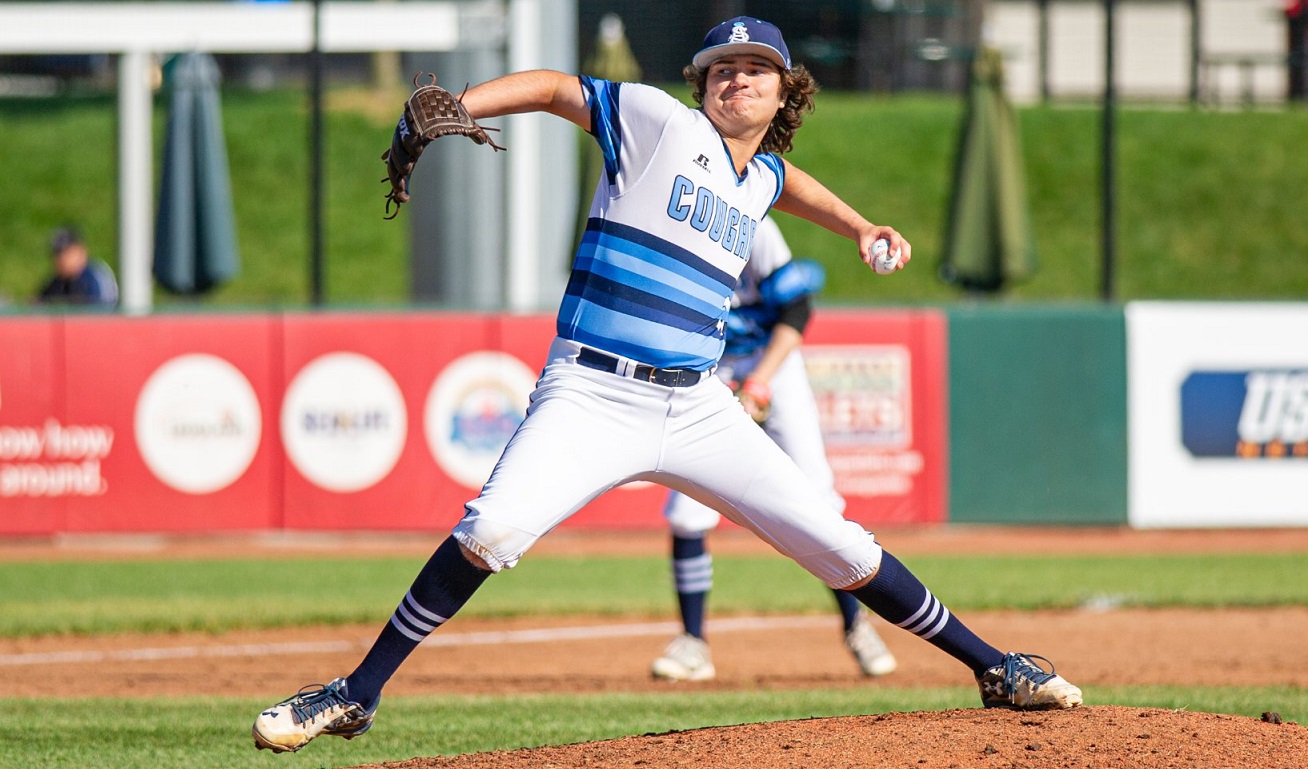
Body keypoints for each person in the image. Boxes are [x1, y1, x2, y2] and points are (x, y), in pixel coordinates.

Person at [252, 16, 1081, 754]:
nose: (734, 75)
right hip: (592, 391)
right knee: (492, 528)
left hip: (695, 404)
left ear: (785, 89)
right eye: (721, 65)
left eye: (754, 66)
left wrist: (860, 224)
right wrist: (464, 103)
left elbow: (789, 185)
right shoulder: (660, 122)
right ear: (701, 83)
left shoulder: (760, 179)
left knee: (839, 544)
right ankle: (357, 691)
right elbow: (552, 87)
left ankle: (994, 667)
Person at [651, 214, 896, 681]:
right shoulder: (667, 223)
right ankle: (693, 643)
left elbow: (796, 311)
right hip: (706, 371)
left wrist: (761, 380)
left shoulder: (749, 225)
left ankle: (856, 624)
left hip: (773, 366)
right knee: (687, 512)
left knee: (820, 501)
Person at [36, 226, 119, 307]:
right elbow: (36, 304)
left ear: (81, 251)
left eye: (66, 253)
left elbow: (103, 311)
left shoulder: (93, 277)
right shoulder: (61, 281)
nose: (61, 259)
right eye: (57, 254)